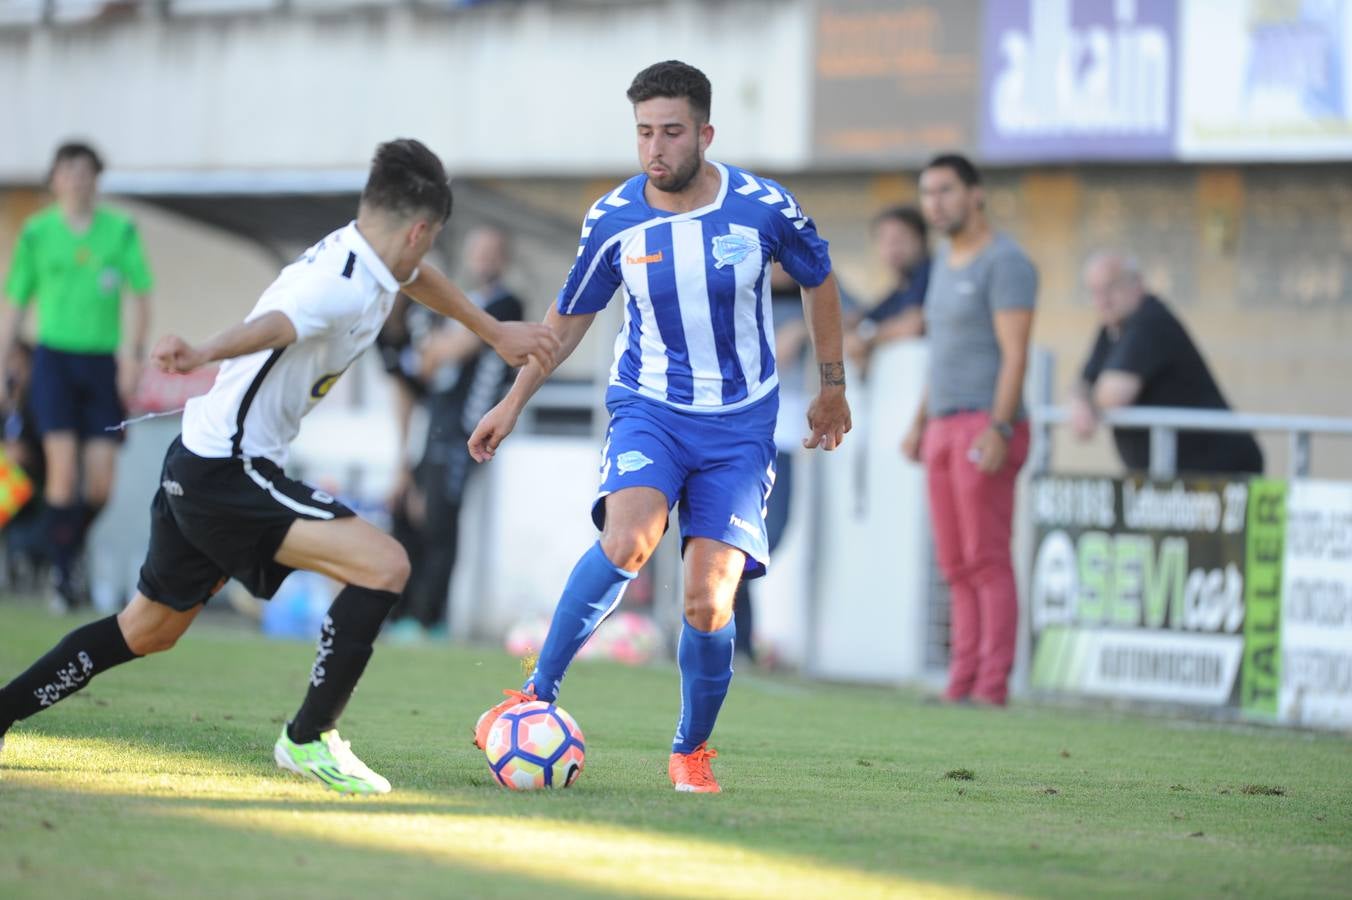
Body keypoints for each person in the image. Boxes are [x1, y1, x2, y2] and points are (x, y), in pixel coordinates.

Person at [0, 139, 559, 794]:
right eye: (429, 240)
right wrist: (203, 350)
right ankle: (308, 738)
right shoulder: (338, 285)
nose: (426, 255)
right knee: (385, 564)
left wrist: (493, 332)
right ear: (419, 230)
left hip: (199, 460)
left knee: (146, 630)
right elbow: (277, 324)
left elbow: (419, 278)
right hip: (230, 473)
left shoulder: (372, 254)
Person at [467, 60, 852, 793]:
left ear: (705, 133)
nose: (656, 148)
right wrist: (511, 403)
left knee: (709, 600)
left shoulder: (762, 208)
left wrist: (831, 388)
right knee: (629, 538)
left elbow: (820, 279)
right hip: (650, 406)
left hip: (740, 426)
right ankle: (535, 692)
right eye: (644, 133)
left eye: (671, 132)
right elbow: (567, 318)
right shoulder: (614, 219)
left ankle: (690, 750)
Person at [900, 153, 1037, 708]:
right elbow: (942, 355)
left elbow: (1015, 355)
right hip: (942, 426)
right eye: (928, 193)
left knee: (986, 558)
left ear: (975, 194)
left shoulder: (1006, 262)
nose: (936, 203)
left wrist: (1000, 426)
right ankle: (960, 682)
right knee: (954, 563)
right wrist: (918, 422)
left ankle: (991, 685)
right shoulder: (943, 263)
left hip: (986, 424)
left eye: (946, 191)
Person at [0, 142, 153, 611]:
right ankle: (64, 577)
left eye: (86, 171)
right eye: (68, 171)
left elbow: (140, 295)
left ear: (96, 178)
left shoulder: (120, 232)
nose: (77, 179)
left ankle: (60, 546)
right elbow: (16, 300)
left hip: (101, 363)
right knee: (62, 474)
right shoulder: (37, 233)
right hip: (53, 362)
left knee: (100, 484)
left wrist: (132, 357)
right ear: (54, 179)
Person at [386, 225, 524, 640]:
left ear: (503, 258)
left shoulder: (505, 301)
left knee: (441, 521)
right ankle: (402, 615)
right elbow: (426, 360)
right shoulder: (457, 306)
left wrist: (442, 347)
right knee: (408, 510)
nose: (483, 258)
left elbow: (446, 351)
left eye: (491, 250)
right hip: (437, 425)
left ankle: (431, 620)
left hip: (470, 427)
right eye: (477, 249)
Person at [1070, 251, 1264, 475]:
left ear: (1137, 284)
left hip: (1219, 472)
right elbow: (1083, 380)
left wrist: (1087, 403)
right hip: (1171, 481)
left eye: (1110, 287)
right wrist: (1080, 401)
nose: (1101, 300)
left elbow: (1114, 396)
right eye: (1094, 291)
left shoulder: (1150, 320)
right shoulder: (1111, 327)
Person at [850, 205, 931, 364]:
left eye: (900, 238)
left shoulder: (931, 273)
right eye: (884, 240)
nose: (892, 247)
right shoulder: (899, 288)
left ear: (921, 240)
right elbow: (857, 318)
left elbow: (913, 325)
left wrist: (866, 340)